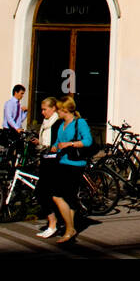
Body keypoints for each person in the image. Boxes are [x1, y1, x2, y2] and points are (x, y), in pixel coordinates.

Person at [50, 96, 93, 244]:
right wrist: (55, 146)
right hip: (62, 162)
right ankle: (70, 228)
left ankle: (69, 229)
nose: (56, 112)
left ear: (65, 110)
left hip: (75, 164)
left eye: (59, 109)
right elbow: (57, 141)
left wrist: (70, 144)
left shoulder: (79, 122)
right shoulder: (62, 124)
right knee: (68, 197)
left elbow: (88, 141)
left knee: (58, 195)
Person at [32, 96, 60, 238]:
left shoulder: (57, 123)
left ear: (53, 108)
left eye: (45, 109)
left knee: (44, 193)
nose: (42, 112)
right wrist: (39, 142)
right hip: (45, 160)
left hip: (54, 163)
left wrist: (49, 147)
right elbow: (46, 142)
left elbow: (57, 143)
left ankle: (54, 224)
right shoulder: (46, 123)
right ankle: (53, 223)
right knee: (44, 193)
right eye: (42, 109)